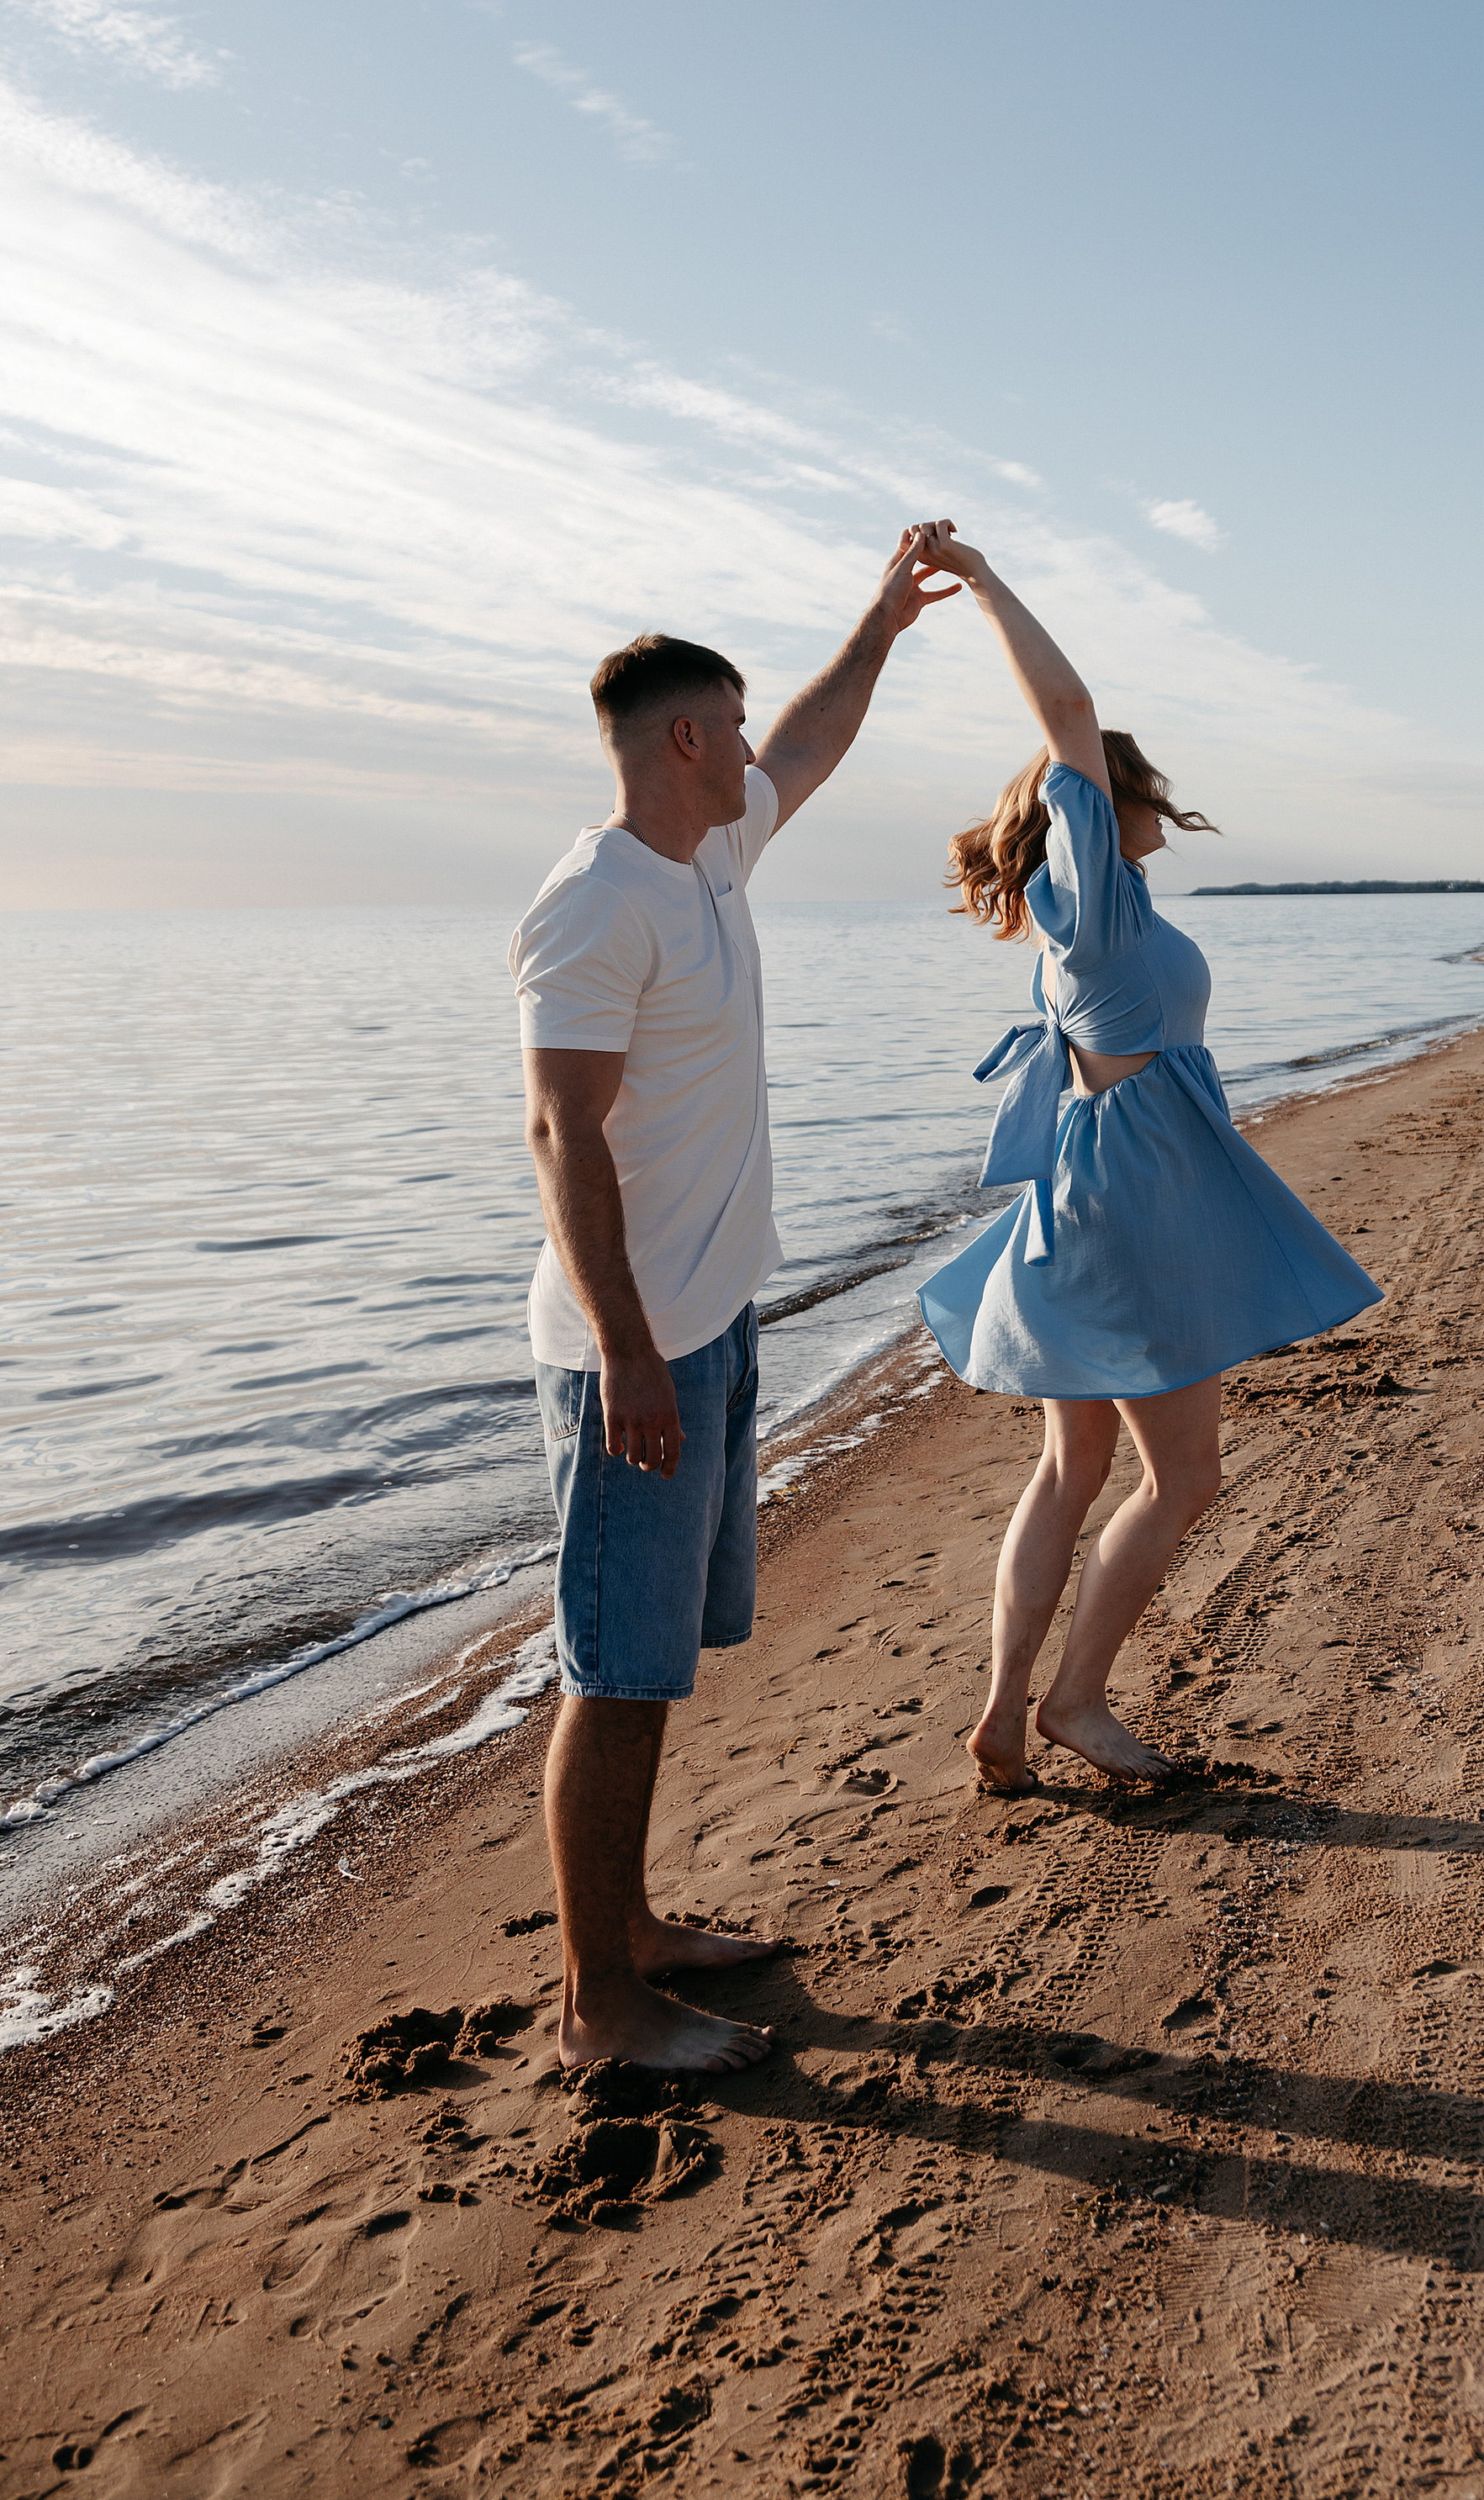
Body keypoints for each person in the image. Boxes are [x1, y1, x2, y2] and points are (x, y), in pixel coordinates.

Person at [511, 529, 959, 2074]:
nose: (761, 743)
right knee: (615, 1670)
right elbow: (561, 1127)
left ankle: (629, 1934)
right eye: (741, 720)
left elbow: (822, 738)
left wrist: (886, 620)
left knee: (654, 1661)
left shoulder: (710, 851)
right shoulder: (594, 905)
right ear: (688, 737)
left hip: (709, 1324)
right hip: (632, 1352)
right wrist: (628, 1351)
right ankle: (600, 2008)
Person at [913, 526, 1381, 1790]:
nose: (1163, 796)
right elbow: (1068, 708)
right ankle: (1075, 1700)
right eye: (1143, 783)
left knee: (1072, 1468)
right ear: (1097, 804)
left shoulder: (1092, 922)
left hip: (1092, 1193)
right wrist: (986, 581)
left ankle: (1008, 1714)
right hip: (1133, 1203)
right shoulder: (1102, 902)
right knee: (1184, 1475)